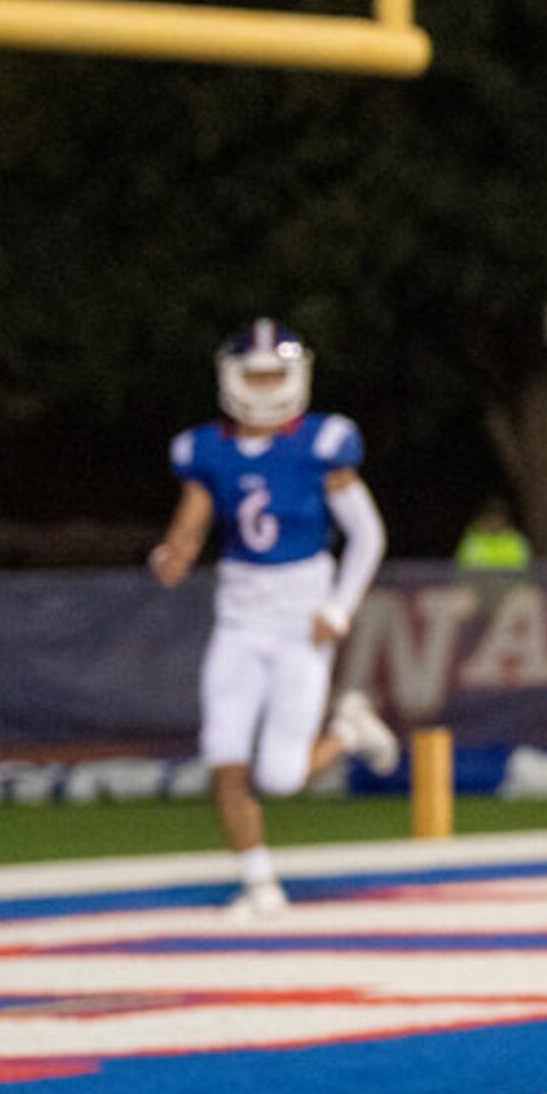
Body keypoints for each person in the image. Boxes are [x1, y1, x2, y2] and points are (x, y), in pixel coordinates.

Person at [149, 320, 400, 916]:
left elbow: (367, 535)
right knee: (223, 752)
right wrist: (173, 551)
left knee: (282, 777)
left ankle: (349, 731)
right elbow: (193, 517)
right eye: (253, 375)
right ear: (231, 377)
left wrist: (338, 608)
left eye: (273, 376)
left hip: (299, 614)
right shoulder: (207, 449)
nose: (263, 388)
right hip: (240, 615)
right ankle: (260, 882)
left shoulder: (321, 444)